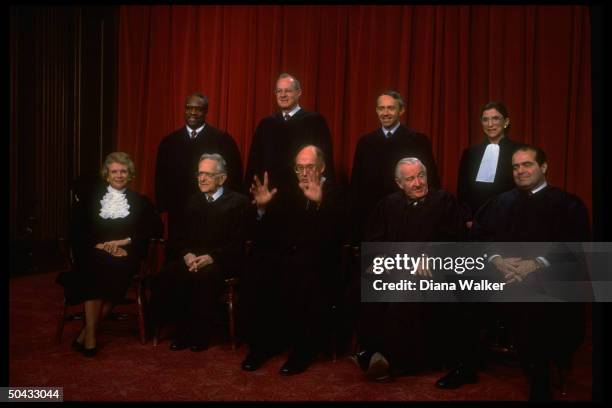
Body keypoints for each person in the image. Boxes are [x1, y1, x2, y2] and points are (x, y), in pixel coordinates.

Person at [453, 145, 591, 401]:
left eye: (527, 164)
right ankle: (466, 365)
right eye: (515, 167)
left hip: (546, 277)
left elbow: (576, 246)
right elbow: (479, 235)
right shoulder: (500, 202)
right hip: (502, 274)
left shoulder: (567, 204)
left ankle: (539, 377)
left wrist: (534, 264)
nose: (520, 171)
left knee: (534, 297)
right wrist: (497, 260)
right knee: (463, 288)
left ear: (544, 167)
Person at [352, 158, 466, 382]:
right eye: (410, 179)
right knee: (359, 285)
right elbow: (374, 242)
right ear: (399, 183)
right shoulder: (388, 205)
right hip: (395, 266)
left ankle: (386, 356)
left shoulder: (443, 200)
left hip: (432, 271)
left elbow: (456, 239)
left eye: (421, 176)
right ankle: (370, 348)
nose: (418, 183)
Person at [239, 145, 346, 376]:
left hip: (323, 261)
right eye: (300, 168)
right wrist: (262, 208)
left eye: (310, 167)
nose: (305, 173)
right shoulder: (289, 191)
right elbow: (269, 233)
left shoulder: (336, 192)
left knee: (303, 272)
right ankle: (261, 347)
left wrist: (320, 203)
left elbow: (339, 235)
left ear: (323, 167)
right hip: (288, 257)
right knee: (258, 267)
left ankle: (304, 351)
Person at [60, 152, 162, 357]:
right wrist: (100, 246)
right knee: (95, 268)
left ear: (130, 175)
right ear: (106, 175)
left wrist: (124, 242)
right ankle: (90, 336)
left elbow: (154, 229)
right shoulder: (90, 200)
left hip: (125, 253)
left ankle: (87, 333)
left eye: (123, 171)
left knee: (117, 269)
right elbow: (77, 230)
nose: (119, 175)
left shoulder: (140, 202)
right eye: (114, 171)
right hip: (93, 251)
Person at [150, 153, 249, 352]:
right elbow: (179, 238)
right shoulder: (192, 202)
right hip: (192, 258)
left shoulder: (238, 203)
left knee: (204, 277)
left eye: (208, 175)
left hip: (222, 260)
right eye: (199, 174)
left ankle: (199, 334)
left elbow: (238, 243)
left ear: (222, 178)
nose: (201, 179)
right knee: (169, 274)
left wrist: (212, 257)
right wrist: (187, 254)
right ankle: (180, 330)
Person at [155, 92, 243, 261]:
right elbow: (161, 178)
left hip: (214, 211)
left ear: (206, 111)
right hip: (179, 211)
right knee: (178, 260)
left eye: (198, 109)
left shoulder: (222, 140)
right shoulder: (169, 142)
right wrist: (164, 206)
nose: (193, 112)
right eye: (189, 108)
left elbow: (234, 177)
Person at [350, 90, 440, 243]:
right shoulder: (365, 143)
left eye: (391, 108)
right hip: (373, 219)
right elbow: (356, 186)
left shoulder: (417, 140)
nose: (385, 113)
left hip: (408, 217)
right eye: (381, 108)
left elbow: (430, 181)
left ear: (401, 110)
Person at [244, 73, 335, 205]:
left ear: (299, 93)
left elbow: (325, 162)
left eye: (287, 91)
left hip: (304, 196)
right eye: (279, 91)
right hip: (270, 197)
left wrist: (323, 195)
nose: (282, 95)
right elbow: (255, 163)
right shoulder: (266, 124)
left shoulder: (315, 122)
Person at [457, 101, 524, 227]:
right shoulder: (470, 153)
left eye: (495, 118)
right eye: (485, 119)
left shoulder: (519, 151)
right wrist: (468, 218)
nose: (490, 124)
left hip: (510, 220)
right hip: (476, 222)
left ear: (506, 122)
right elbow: (463, 191)